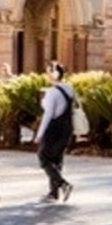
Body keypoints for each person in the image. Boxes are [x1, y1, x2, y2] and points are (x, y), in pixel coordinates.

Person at [34, 61, 77, 203]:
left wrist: (39, 134)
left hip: (54, 128)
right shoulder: (69, 88)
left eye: (49, 72)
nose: (47, 75)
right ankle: (54, 193)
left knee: (43, 157)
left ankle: (63, 184)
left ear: (55, 74)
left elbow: (48, 115)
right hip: (67, 127)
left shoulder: (52, 93)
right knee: (57, 159)